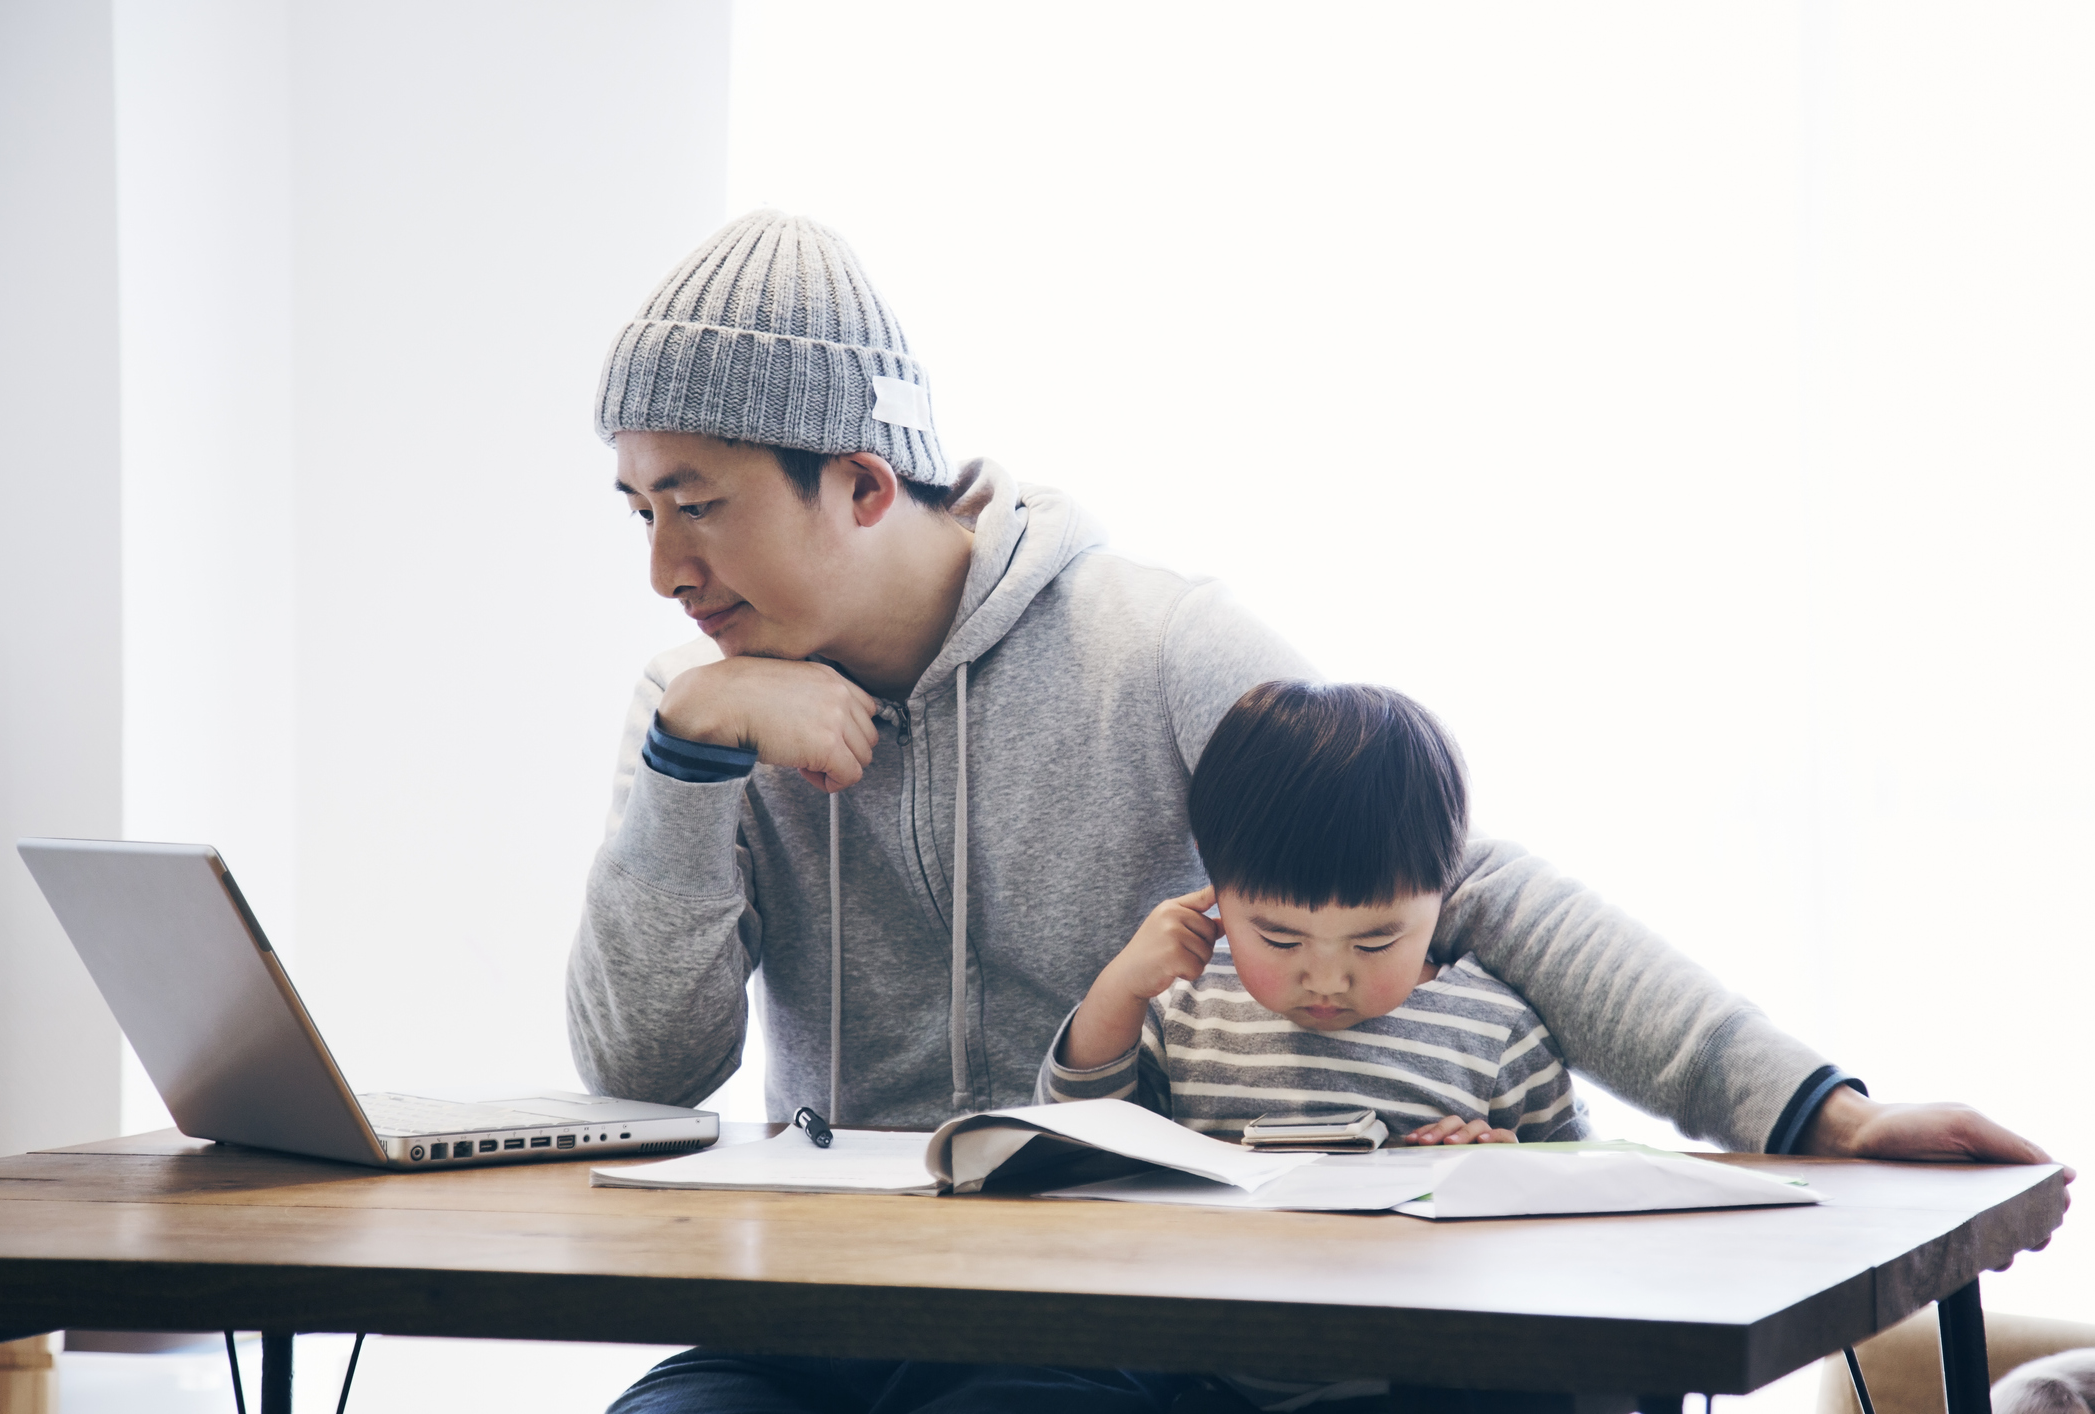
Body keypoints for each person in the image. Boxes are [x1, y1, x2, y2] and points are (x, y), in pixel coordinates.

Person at [573, 210, 2061, 1414]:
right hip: (819, 1304)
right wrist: (684, 765)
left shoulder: (1148, 648)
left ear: (857, 480)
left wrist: (1818, 1106)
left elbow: (1459, 882)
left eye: (697, 504)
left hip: (1095, 1314)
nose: (664, 571)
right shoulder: (719, 703)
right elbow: (646, 1073)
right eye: (639, 509)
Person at [1039, 678, 1586, 1150]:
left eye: (1374, 943)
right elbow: (1065, 1148)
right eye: (1280, 940)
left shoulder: (1498, 1035)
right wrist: (1118, 991)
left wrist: (1513, 1171)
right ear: (1218, 887)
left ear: (1443, 889)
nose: (1326, 980)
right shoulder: (1183, 1009)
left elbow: (1590, 1203)